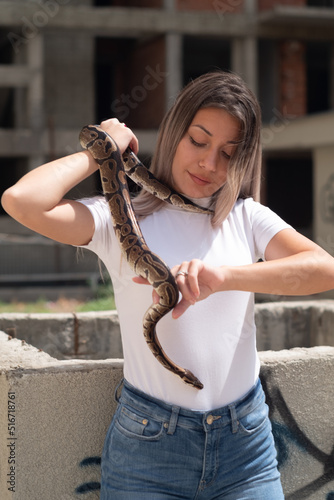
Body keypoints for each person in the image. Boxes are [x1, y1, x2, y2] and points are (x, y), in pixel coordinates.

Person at [2, 71, 334, 499]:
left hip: (246, 447)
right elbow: (20, 201)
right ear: (175, 132)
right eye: (198, 141)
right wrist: (101, 146)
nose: (209, 164)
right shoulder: (116, 217)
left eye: (229, 154)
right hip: (149, 451)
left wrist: (225, 278)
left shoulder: (244, 216)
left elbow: (324, 269)